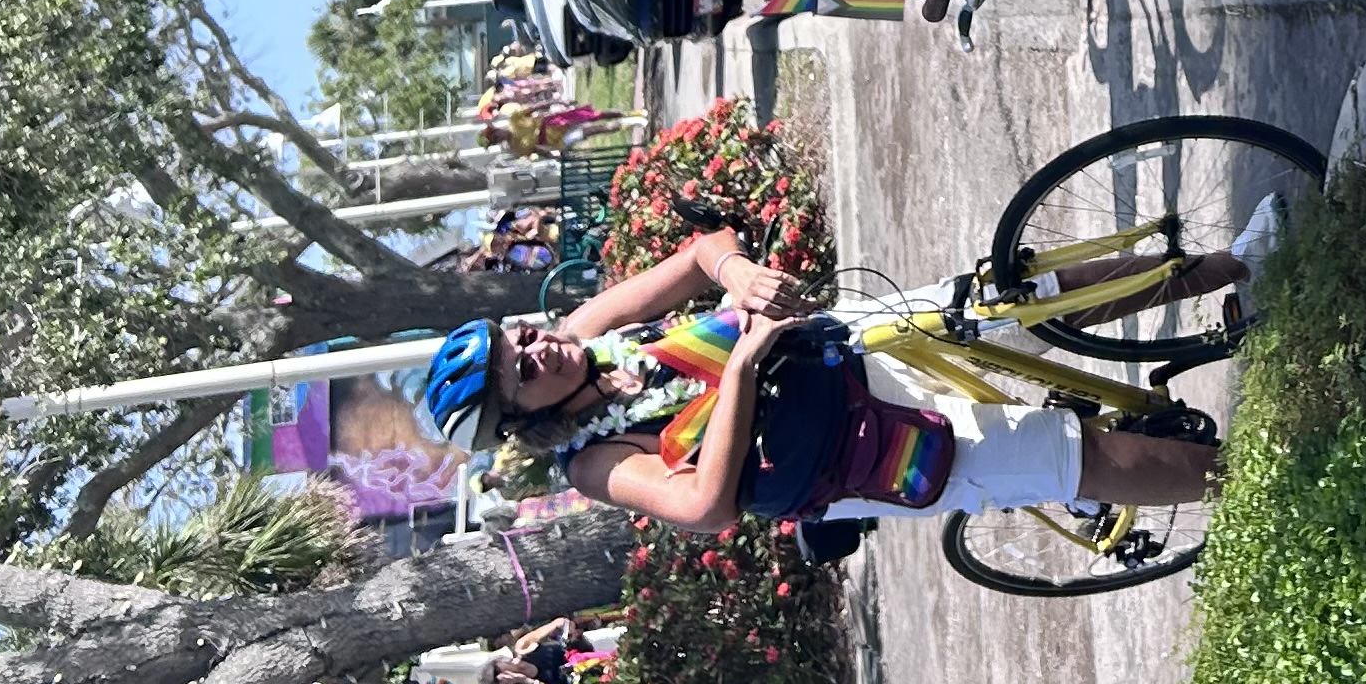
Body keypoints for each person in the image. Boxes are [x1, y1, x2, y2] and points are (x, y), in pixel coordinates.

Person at [413, 222, 1231, 536]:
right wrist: (739, 368)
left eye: (516, 336)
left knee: (1028, 298)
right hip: (867, 446)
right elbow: (704, 508)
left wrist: (736, 275)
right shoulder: (593, 465)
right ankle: (1244, 478)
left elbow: (702, 251)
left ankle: (1237, 263)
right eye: (519, 372)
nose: (536, 350)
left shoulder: (586, 331)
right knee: (1063, 455)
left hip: (845, 344)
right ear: (519, 417)